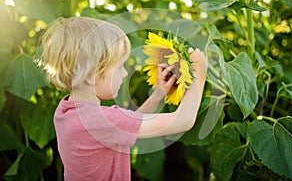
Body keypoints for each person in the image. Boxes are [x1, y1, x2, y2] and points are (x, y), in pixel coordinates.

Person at [41, 16, 208, 181]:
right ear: (91, 75)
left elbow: (126, 125)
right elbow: (183, 121)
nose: (125, 73)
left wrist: (157, 95)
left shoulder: (65, 111)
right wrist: (199, 73)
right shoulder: (105, 120)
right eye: (119, 67)